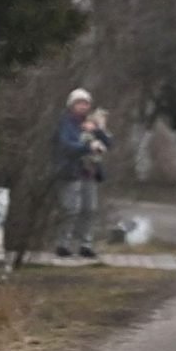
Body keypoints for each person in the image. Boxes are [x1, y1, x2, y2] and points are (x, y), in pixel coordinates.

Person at [51, 87, 110, 257]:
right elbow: (66, 146)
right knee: (71, 209)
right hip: (70, 171)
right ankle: (63, 244)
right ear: (72, 105)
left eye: (86, 103)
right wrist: (87, 146)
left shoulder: (91, 124)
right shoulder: (66, 123)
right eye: (79, 103)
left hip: (90, 172)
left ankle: (86, 244)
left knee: (89, 209)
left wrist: (99, 130)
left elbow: (109, 143)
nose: (83, 106)